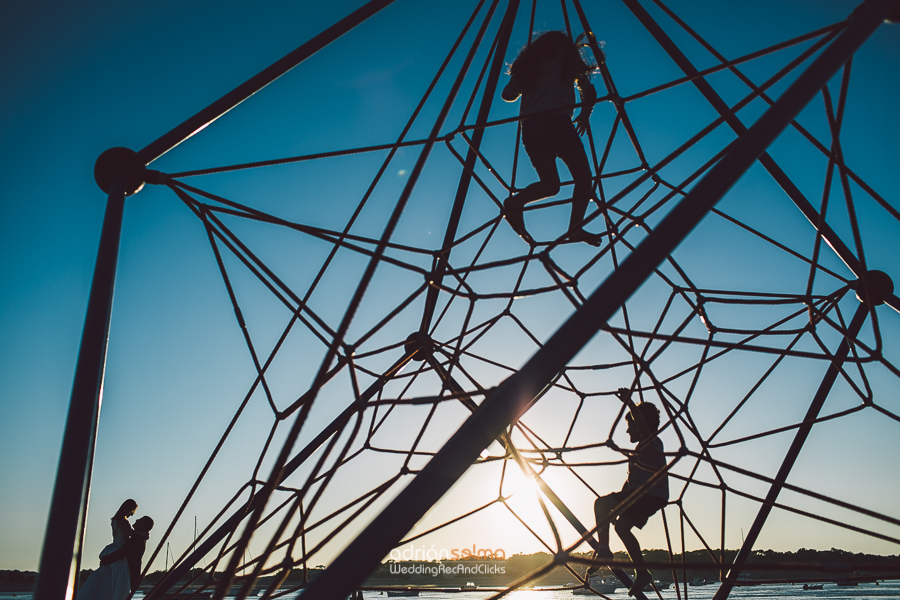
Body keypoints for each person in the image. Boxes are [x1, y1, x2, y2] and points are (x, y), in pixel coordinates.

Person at [501, 30, 599, 245]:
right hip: (557, 123)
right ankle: (575, 227)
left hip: (531, 128)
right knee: (583, 177)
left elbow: (507, 95)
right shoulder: (567, 62)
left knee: (550, 185)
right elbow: (589, 91)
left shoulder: (530, 66)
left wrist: (523, 81)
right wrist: (584, 114)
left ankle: (515, 202)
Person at [590, 392, 668, 596]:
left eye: (630, 425)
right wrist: (616, 508)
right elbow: (631, 483)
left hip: (647, 495)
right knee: (622, 527)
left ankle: (604, 551)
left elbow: (642, 424)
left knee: (600, 504)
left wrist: (630, 403)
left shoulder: (651, 442)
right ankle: (642, 573)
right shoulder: (640, 450)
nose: (627, 430)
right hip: (649, 496)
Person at [78, 499, 139, 600]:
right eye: (132, 510)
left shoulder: (118, 519)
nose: (132, 514)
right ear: (128, 508)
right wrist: (143, 533)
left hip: (116, 546)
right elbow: (129, 533)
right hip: (119, 547)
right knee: (116, 576)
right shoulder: (120, 520)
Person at [99, 516, 154, 593]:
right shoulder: (139, 537)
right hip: (128, 572)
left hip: (127, 573)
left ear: (142, 526)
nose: (136, 519)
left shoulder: (137, 539)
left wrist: (106, 560)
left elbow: (124, 552)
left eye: (140, 520)